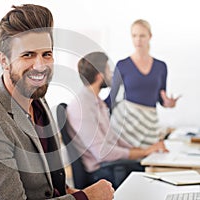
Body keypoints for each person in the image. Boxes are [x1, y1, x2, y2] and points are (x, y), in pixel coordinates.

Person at [0, 4, 114, 200]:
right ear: (4, 61)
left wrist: (72, 192)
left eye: (46, 54)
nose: (40, 66)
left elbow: (50, 182)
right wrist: (85, 198)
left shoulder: (36, 100)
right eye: (28, 55)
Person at [66, 51, 168, 189]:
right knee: (157, 179)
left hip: (112, 166)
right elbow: (103, 152)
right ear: (100, 76)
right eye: (109, 71)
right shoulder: (82, 106)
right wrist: (144, 152)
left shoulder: (97, 102)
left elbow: (113, 138)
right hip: (103, 172)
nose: (112, 75)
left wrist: (142, 150)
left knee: (157, 170)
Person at [106, 19, 180, 148]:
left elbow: (160, 98)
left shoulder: (161, 67)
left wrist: (168, 103)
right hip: (126, 123)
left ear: (149, 36)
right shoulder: (122, 65)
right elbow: (112, 97)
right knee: (125, 162)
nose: (138, 40)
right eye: (134, 36)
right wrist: (91, 104)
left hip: (149, 124)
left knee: (146, 160)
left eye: (142, 35)